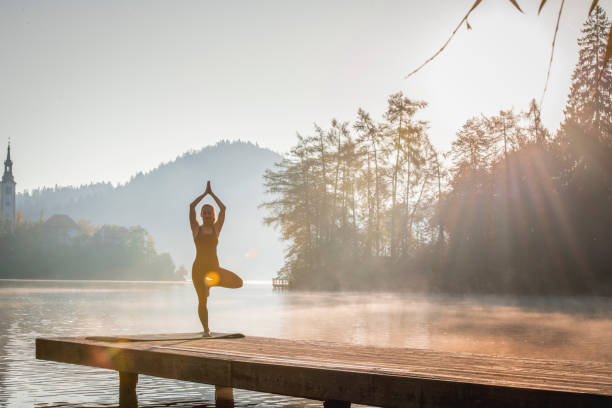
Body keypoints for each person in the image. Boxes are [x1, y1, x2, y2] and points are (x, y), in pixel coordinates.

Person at [189, 180, 243, 336]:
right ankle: (206, 330)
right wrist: (204, 194)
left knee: (238, 282)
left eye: (209, 212)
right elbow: (192, 207)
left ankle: (210, 285)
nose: (206, 215)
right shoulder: (196, 229)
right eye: (204, 213)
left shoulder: (216, 228)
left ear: (212, 215)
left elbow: (223, 209)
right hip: (198, 270)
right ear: (201, 215)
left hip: (213, 269)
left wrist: (212, 194)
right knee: (202, 301)